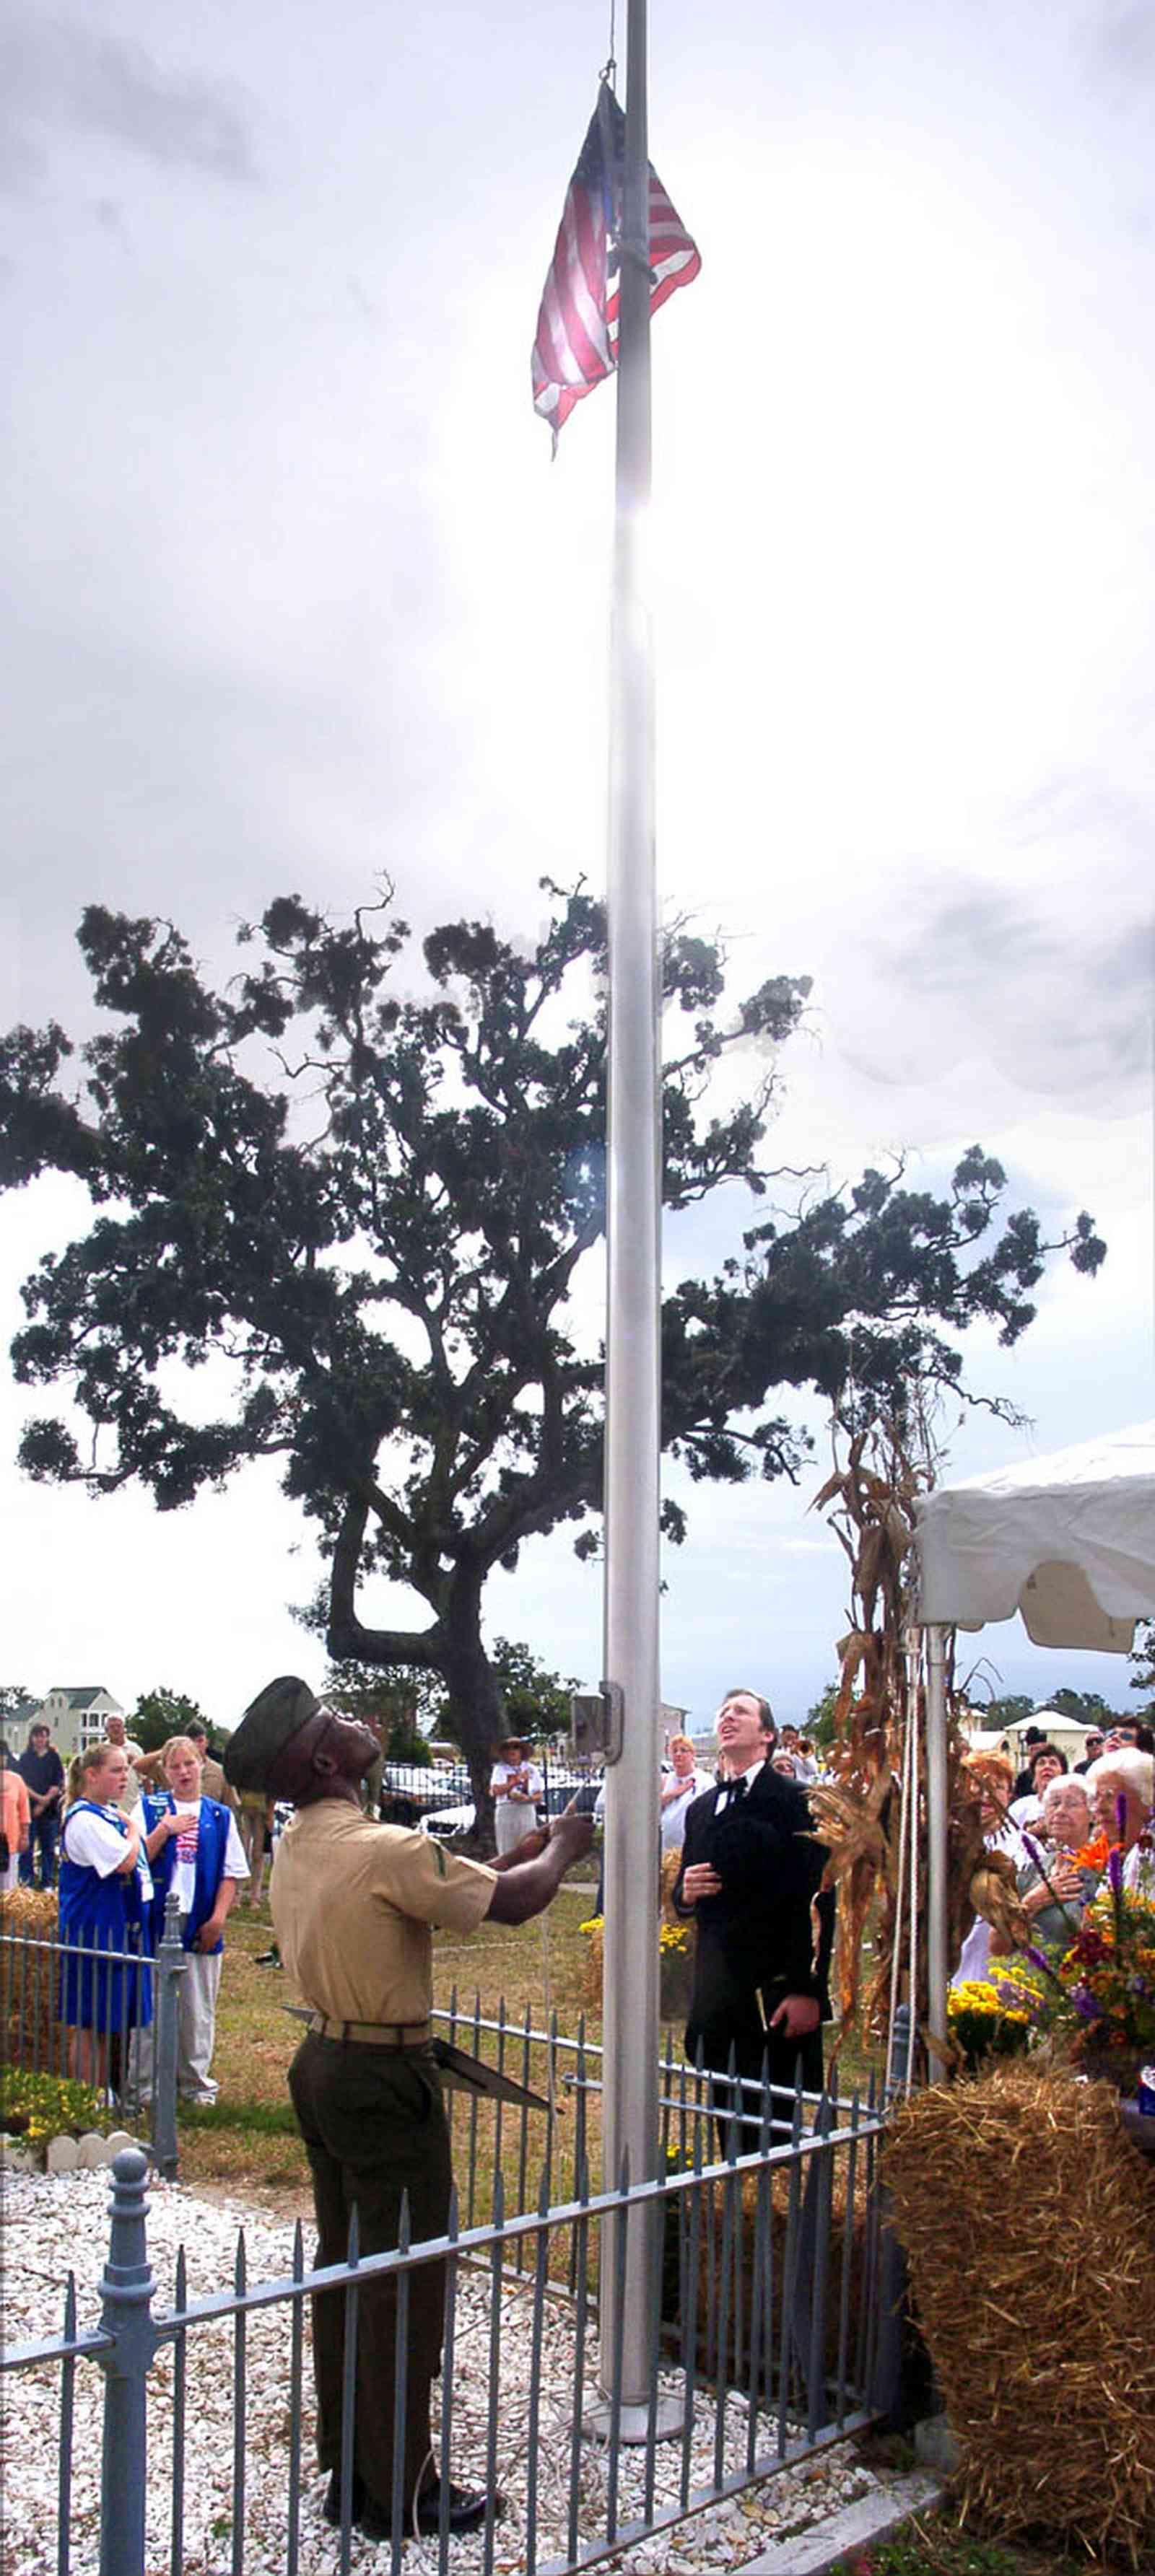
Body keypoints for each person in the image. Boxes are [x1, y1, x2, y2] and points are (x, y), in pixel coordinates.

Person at [222, 1674, 593, 2545]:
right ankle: (405, 2490)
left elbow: (449, 1885)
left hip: (324, 2065)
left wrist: (520, 1849)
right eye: (338, 1721)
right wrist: (566, 1847)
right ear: (324, 1759)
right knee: (403, 2279)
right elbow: (512, 1904)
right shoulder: (382, 1846)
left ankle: (352, 2473)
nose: (359, 1723)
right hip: (384, 2081)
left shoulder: (312, 1839)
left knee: (346, 2271)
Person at [673, 1687, 832, 2145]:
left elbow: (821, 1900)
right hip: (719, 1988)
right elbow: (685, 1886)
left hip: (775, 1986)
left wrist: (808, 1989)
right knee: (728, 2116)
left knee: (773, 2128)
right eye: (723, 1711)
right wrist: (684, 1895)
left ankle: (774, 2211)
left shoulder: (798, 1800)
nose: (728, 1717)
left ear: (766, 1735)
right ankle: (732, 2206)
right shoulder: (703, 1807)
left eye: (740, 1712)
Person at [140, 1735, 249, 2101]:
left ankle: (195, 2084)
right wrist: (164, 1830)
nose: (183, 1772)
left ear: (202, 1765)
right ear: (165, 1771)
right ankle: (145, 2086)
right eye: (175, 1766)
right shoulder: (150, 1808)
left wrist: (218, 1919)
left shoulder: (219, 1816)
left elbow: (230, 1874)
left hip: (200, 1916)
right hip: (157, 1919)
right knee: (151, 2005)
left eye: (189, 1764)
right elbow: (136, 1859)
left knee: (197, 2006)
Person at [56, 1740, 163, 2090]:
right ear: (91, 1774)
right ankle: (88, 2100)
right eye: (116, 1770)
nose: (124, 1777)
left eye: (125, 1769)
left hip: (119, 1929)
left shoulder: (106, 1814)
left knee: (109, 2023)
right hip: (95, 1931)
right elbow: (125, 1861)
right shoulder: (85, 1819)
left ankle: (106, 2097)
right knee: (91, 2024)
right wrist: (134, 1832)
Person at [1011, 1774, 1099, 1950]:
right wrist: (1032, 1902)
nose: (1060, 1811)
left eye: (1072, 1804)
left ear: (1092, 1814)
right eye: (1054, 1803)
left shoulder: (1101, 1869)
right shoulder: (1033, 1869)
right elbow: (998, 1944)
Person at [1086, 1747, 1155, 1895]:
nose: (1100, 1808)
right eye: (1097, 1798)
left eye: (1109, 1796)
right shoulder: (1115, 1855)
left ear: (1146, 1798)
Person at [17, 1720, 66, 1888]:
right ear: (31, 1738)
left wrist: (44, 1802)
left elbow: (58, 1782)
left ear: (47, 1738)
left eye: (43, 1736)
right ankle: (27, 1882)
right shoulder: (25, 1759)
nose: (40, 1740)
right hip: (28, 1809)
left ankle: (48, 1882)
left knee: (49, 1848)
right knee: (26, 1849)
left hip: (50, 1811)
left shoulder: (54, 1757)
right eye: (37, 1736)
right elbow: (22, 1783)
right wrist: (38, 1799)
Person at [489, 1735, 544, 1858]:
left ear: (521, 1751)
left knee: (528, 1845)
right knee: (507, 1849)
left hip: (526, 1811)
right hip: (506, 1811)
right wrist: (516, 1781)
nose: (512, 1751)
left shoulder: (531, 1769)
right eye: (508, 1748)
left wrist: (527, 1799)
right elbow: (495, 1791)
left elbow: (539, 1795)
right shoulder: (499, 1769)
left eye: (516, 1748)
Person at [659, 1735, 712, 1854]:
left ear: (692, 1754)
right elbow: (651, 1808)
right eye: (674, 1751)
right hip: (665, 1849)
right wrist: (674, 1793)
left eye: (683, 1750)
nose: (678, 1754)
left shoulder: (705, 1781)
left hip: (692, 1848)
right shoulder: (665, 1780)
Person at [1008, 1745, 1066, 1830]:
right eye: (1041, 1763)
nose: (1047, 1767)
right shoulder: (1019, 1808)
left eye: (1053, 1763)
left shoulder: (1069, 1808)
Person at [1, 1744, 31, 1896]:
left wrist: (25, 1835)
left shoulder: (16, 1780)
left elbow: (24, 1810)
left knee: (8, 1887)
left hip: (9, 1841)